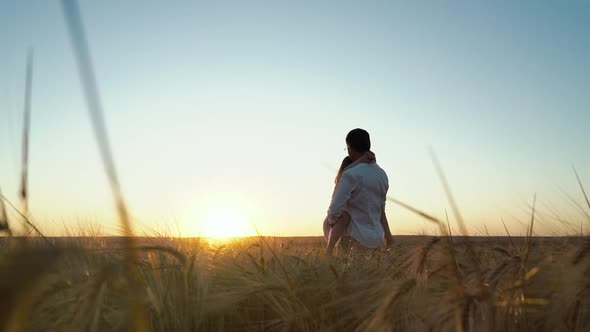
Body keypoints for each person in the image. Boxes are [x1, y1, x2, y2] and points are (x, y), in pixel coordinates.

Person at [325, 128, 394, 256]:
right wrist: (388, 236)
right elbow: (380, 211)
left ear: (350, 148)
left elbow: (334, 210)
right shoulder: (382, 175)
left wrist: (332, 222)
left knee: (346, 276)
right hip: (376, 242)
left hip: (352, 241)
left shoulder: (350, 174)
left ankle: (328, 251)